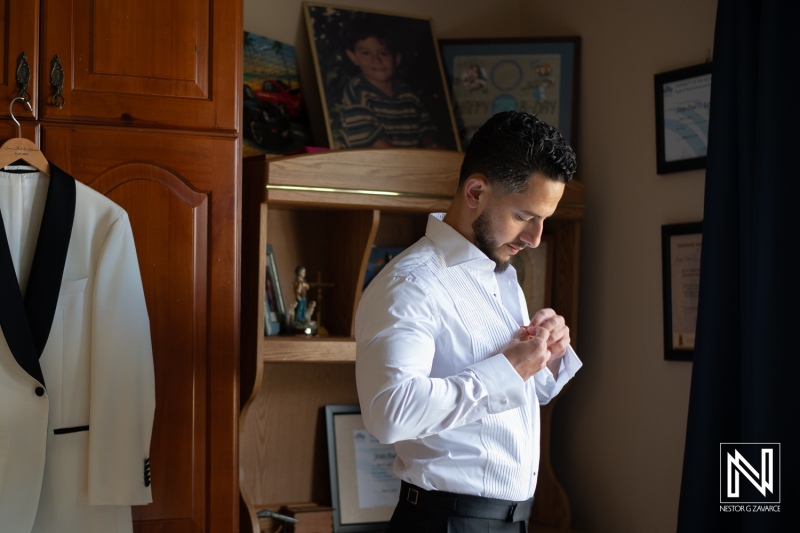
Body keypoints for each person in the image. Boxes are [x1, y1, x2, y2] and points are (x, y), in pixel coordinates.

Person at [355, 111, 581, 532]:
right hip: (447, 523)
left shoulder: (501, 277)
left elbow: (505, 403)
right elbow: (389, 413)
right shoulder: (410, 284)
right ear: (475, 191)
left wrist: (545, 355)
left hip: (509, 522)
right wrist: (509, 368)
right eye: (525, 216)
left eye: (544, 220)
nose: (534, 239)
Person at [337, 20, 443, 149]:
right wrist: (408, 161)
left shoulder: (409, 96)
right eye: (365, 53)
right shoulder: (356, 90)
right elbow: (370, 142)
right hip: (374, 165)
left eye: (383, 53)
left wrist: (430, 143)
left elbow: (426, 129)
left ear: (397, 59)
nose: (376, 60)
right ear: (353, 57)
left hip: (408, 164)